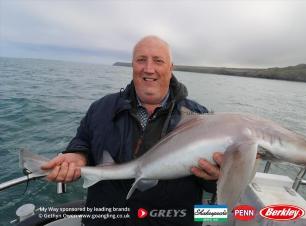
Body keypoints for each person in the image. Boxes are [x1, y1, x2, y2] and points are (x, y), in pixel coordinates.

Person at [41, 35, 223, 226]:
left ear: (171, 68)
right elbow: (83, 141)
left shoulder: (201, 118)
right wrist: (77, 155)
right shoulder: (101, 108)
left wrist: (217, 176)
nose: (149, 68)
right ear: (133, 65)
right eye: (141, 60)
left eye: (158, 61)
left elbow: (216, 186)